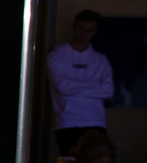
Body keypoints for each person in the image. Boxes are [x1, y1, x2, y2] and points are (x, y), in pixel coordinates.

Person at [46, 10, 112, 154]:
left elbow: (108, 90)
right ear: (74, 27)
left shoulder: (100, 60)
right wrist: (94, 84)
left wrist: (73, 88)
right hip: (67, 123)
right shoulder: (56, 56)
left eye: (89, 30)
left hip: (96, 122)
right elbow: (62, 87)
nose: (83, 34)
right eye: (80, 29)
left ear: (95, 32)